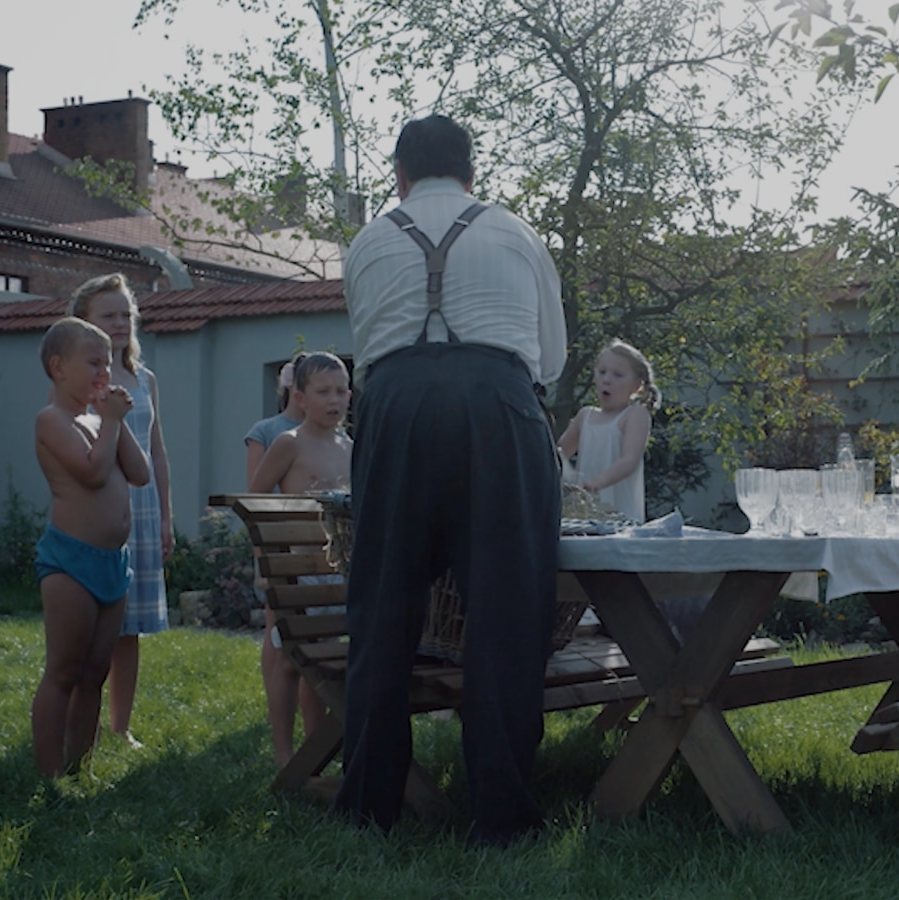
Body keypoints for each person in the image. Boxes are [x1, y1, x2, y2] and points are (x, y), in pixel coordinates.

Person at [336, 114, 566, 846]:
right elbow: (551, 360)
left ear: (398, 175)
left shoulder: (369, 240)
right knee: (506, 610)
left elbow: (366, 344)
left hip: (395, 404)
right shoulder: (517, 232)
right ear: (473, 174)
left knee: (382, 607)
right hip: (498, 406)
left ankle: (369, 806)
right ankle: (500, 816)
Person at [30, 316, 151, 777]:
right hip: (70, 561)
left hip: (111, 562)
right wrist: (110, 423)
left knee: (95, 673)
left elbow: (137, 474)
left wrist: (113, 420)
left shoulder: (98, 420)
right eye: (94, 362)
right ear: (59, 367)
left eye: (108, 362)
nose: (105, 371)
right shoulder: (52, 419)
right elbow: (92, 473)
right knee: (64, 671)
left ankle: (79, 767)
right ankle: (49, 773)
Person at [70, 274, 172, 748]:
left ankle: (120, 726)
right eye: (107, 315)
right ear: (84, 322)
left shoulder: (144, 378)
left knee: (130, 629)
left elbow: (156, 451)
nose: (119, 323)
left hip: (144, 512)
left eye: (125, 314)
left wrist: (167, 517)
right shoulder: (81, 380)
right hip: (98, 507)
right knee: (92, 624)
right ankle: (77, 719)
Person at [247, 351, 352, 766]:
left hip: (338, 573)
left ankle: (317, 745)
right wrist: (267, 564)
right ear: (300, 397)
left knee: (324, 662)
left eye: (341, 390)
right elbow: (255, 504)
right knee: (290, 662)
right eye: (323, 391)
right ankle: (283, 752)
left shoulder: (351, 447)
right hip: (295, 574)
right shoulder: (288, 443)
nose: (334, 399)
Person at [555, 339, 658, 522]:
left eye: (618, 375)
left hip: (622, 520)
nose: (606, 380)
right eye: (602, 372)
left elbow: (629, 460)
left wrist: (598, 482)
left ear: (636, 386)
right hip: (584, 517)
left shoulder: (634, 415)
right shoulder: (584, 416)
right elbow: (558, 453)